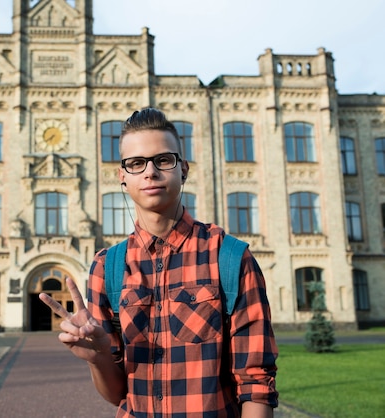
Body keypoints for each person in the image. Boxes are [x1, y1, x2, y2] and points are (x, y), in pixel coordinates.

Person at [40, 107, 278, 417]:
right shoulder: (106, 268)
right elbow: (116, 395)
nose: (150, 172)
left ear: (184, 169)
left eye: (163, 160)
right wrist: (97, 357)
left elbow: (256, 384)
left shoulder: (229, 257)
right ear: (122, 177)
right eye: (136, 164)